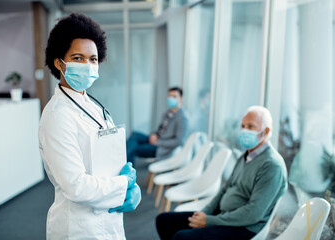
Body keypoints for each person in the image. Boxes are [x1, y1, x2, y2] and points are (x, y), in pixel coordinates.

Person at [39, 13, 141, 240]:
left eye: (92, 59)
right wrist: (124, 184)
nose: (87, 65)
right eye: (77, 58)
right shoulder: (58, 115)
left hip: (108, 219)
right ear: (58, 62)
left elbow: (107, 159)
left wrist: (130, 188)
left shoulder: (94, 106)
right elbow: (76, 185)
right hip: (79, 227)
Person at [156, 106, 288, 240]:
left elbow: (253, 213)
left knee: (181, 237)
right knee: (164, 221)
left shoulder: (272, 165)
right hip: (223, 215)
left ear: (266, 131)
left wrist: (209, 221)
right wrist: (204, 213)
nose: (244, 130)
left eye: (250, 126)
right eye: (243, 126)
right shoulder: (247, 155)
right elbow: (226, 188)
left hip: (243, 227)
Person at [126, 87, 189, 166]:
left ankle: (127, 171)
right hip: (158, 139)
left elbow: (179, 141)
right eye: (170, 96)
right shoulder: (167, 113)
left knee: (133, 147)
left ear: (181, 99)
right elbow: (160, 130)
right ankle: (127, 167)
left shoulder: (182, 118)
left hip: (162, 148)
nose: (171, 98)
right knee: (134, 135)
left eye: (174, 96)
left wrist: (159, 142)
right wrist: (154, 135)